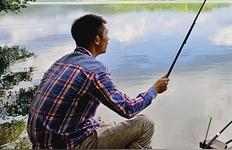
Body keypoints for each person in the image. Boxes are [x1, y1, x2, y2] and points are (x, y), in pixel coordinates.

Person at [27, 14, 169, 149]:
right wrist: (155, 89)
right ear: (97, 39)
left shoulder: (61, 62)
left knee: (106, 122)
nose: (109, 39)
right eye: (106, 35)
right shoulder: (95, 71)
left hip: (43, 142)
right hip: (67, 145)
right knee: (145, 124)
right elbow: (128, 109)